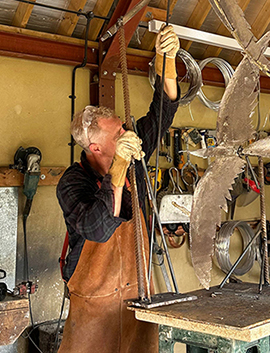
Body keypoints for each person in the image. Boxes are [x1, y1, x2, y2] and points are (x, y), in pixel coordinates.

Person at [56, 25, 180, 353]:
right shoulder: (72, 182)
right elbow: (97, 229)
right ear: (95, 147)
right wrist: (119, 168)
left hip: (138, 298)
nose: (127, 135)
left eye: (124, 128)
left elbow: (162, 114)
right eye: (118, 134)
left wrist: (167, 63)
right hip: (93, 309)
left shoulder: (134, 155)